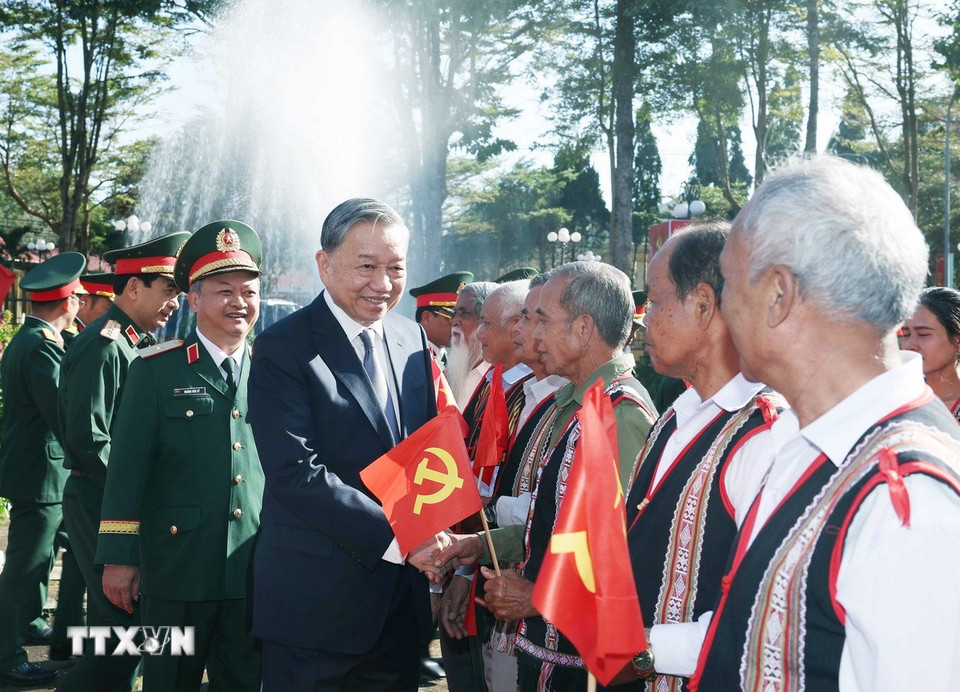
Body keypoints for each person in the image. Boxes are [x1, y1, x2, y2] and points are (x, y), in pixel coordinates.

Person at [691, 155, 960, 691]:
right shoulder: (815, 438)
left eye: (726, 282)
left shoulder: (908, 500)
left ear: (778, 294)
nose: (722, 306)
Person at [248, 198, 445, 691]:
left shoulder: (412, 340)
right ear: (325, 263)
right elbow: (296, 472)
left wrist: (439, 538)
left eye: (395, 268)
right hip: (315, 610)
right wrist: (403, 539)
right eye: (366, 267)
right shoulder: (283, 346)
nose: (383, 284)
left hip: (399, 610)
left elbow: (424, 454)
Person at [433, 261, 658, 690]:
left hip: (583, 665)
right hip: (549, 654)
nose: (532, 334)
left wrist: (538, 598)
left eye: (542, 320)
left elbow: (622, 555)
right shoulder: (574, 404)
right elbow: (553, 525)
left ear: (583, 329)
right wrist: (478, 545)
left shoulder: (619, 415)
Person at [608, 223, 783, 690]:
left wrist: (645, 652)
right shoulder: (676, 414)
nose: (644, 319)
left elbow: (764, 617)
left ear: (704, 304)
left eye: (655, 300)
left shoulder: (766, 434)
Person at [94, 221, 265, 690]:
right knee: (168, 681)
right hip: (175, 571)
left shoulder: (271, 371)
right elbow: (127, 471)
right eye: (224, 290)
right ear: (194, 299)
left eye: (249, 292)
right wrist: (119, 558)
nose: (239, 302)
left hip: (251, 570)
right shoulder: (155, 370)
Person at [57, 231, 190, 692]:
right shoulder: (105, 344)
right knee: (127, 631)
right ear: (134, 287)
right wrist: (138, 491)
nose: (176, 302)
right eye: (168, 289)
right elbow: (89, 439)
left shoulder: (130, 343)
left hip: (110, 498)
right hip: (100, 497)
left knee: (120, 630)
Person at [0, 252, 85, 686]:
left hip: (39, 472)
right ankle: (7, 658)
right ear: (68, 302)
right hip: (41, 475)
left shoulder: (33, 338)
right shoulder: (41, 345)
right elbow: (62, 411)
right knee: (25, 567)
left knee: (42, 556)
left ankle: (30, 623)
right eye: (79, 297)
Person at [900, 286, 960, 421]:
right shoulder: (897, 400)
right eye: (906, 334)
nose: (910, 345)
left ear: (958, 340)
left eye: (923, 334)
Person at [409, 270, 473, 369]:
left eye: (462, 317)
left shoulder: (442, 357)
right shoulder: (413, 359)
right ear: (426, 318)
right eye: (452, 317)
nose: (457, 324)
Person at [446, 281, 496, 405]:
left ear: (485, 319)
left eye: (464, 313)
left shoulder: (498, 378)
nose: (454, 321)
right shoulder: (448, 375)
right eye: (455, 313)